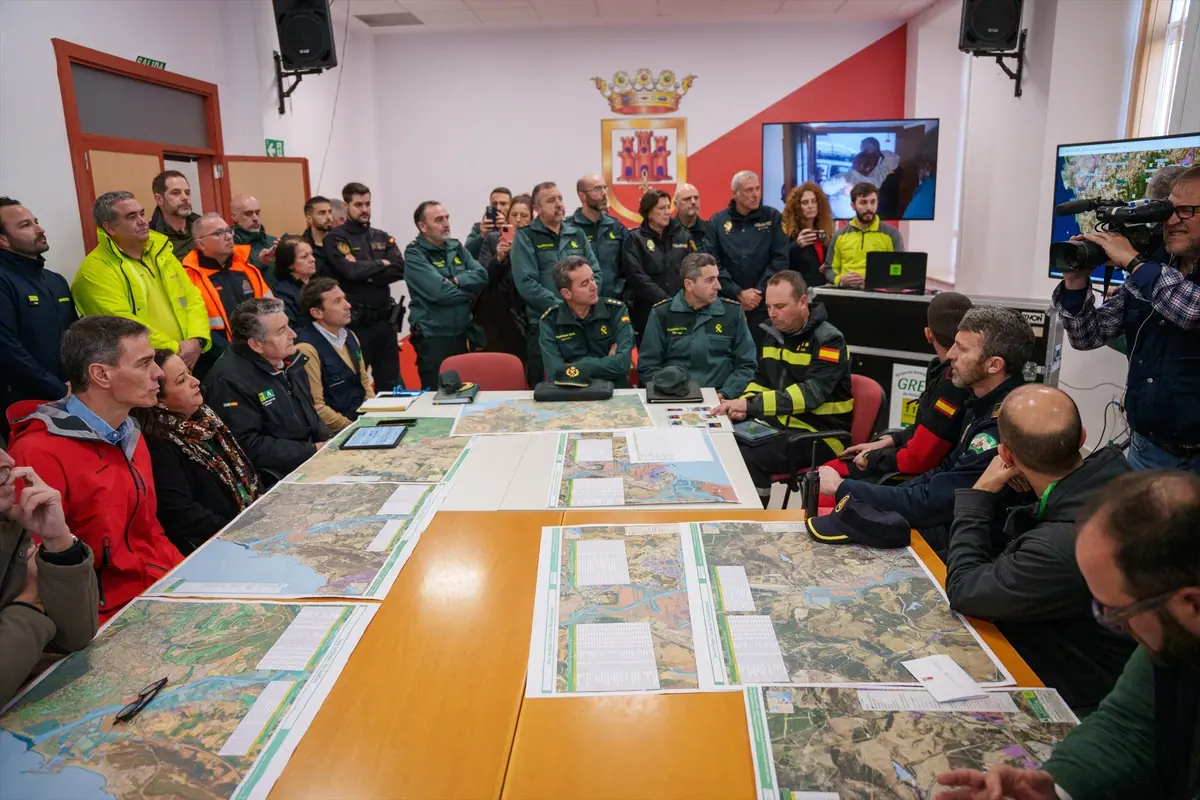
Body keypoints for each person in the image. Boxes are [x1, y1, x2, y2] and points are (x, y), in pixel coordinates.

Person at [934, 471, 1200, 800]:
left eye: (1116, 613)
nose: (1115, 625)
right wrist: (1056, 786)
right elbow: (1126, 726)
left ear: (1192, 603)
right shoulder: (1177, 632)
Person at [945, 385, 1135, 715]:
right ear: (1081, 438)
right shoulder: (1121, 481)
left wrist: (979, 496)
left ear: (1005, 455)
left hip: (1082, 697)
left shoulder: (1058, 545)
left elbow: (964, 589)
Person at [6, 316, 182, 622]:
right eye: (144, 363)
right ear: (101, 374)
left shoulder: (130, 433)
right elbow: (34, 573)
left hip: (156, 588)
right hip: (101, 615)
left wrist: (186, 576)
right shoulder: (35, 453)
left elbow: (149, 532)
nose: (158, 374)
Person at [818, 306, 1033, 557]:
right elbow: (943, 474)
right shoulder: (980, 403)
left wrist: (842, 487)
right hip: (948, 523)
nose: (951, 354)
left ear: (994, 365)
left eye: (962, 349)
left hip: (969, 546)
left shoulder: (1001, 426)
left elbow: (933, 502)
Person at [1054, 163, 1200, 473]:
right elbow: (1087, 335)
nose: (1171, 221)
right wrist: (1076, 283)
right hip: (1146, 449)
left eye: (1186, 211)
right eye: (1168, 211)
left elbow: (1191, 311)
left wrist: (1133, 262)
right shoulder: (1157, 266)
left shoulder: (1147, 270)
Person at [715, 270, 853, 507]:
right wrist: (744, 406)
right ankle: (724, 507)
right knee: (722, 439)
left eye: (780, 306)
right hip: (782, 427)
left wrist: (750, 406)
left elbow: (810, 395)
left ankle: (753, 518)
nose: (773, 314)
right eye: (769, 307)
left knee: (752, 457)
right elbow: (762, 379)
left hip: (820, 434)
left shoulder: (829, 340)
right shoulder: (773, 333)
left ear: (802, 302)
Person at [129, 350, 260, 555]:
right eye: (182, 380)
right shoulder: (158, 446)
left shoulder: (206, 419)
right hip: (216, 546)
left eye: (189, 373)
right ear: (159, 400)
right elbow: (182, 515)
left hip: (247, 523)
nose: (196, 381)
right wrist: (242, 532)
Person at [834, 292, 974, 480]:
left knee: (825, 474)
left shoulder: (953, 382)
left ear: (928, 334)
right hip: (923, 471)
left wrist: (873, 458)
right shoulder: (945, 372)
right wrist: (889, 441)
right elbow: (926, 430)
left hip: (921, 480)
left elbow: (919, 457)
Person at [0, 448, 98, 704]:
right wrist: (29, 605)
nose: (8, 461)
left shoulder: (9, 521)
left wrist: (59, 542)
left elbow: (75, 637)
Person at [72, 191, 211, 371]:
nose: (142, 221)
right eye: (131, 217)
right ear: (110, 228)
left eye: (142, 214)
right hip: (144, 368)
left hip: (189, 359)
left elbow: (193, 299)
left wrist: (196, 340)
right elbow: (123, 325)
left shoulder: (162, 253)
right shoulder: (95, 270)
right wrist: (177, 350)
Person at [202, 298, 329, 484]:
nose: (293, 334)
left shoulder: (288, 361)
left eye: (288, 326)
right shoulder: (228, 381)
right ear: (256, 345)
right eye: (281, 331)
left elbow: (311, 417)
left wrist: (327, 444)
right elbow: (247, 445)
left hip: (312, 461)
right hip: (276, 480)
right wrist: (311, 450)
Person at [0, 198, 76, 440]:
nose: (39, 229)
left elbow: (76, 335)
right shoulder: (4, 281)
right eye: (25, 225)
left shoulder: (55, 281)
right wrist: (55, 388)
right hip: (25, 402)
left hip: (72, 393)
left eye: (36, 221)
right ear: (2, 239)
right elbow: (6, 348)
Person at [512, 181, 598, 388]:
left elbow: (596, 272)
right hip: (544, 324)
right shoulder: (526, 237)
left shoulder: (576, 234)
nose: (559, 204)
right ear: (536, 209)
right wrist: (563, 307)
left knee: (582, 384)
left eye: (560, 198)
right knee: (545, 386)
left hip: (581, 324)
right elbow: (526, 282)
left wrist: (584, 301)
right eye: (551, 200)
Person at [324, 182, 406, 392]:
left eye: (368, 204)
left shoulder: (381, 236)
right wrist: (381, 265)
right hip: (357, 324)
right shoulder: (336, 238)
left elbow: (399, 268)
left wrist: (366, 272)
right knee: (356, 384)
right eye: (358, 205)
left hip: (385, 323)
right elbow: (349, 272)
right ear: (346, 205)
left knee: (390, 383)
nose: (365, 210)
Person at [639, 252, 756, 399]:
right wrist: (670, 391)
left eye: (717, 278)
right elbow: (648, 367)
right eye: (710, 280)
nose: (718, 286)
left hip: (722, 398)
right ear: (689, 284)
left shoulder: (732, 312)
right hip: (674, 398)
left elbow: (747, 364)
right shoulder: (663, 313)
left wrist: (726, 393)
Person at [404, 201, 490, 389]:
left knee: (463, 391)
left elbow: (483, 275)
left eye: (446, 218)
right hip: (434, 337)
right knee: (437, 395)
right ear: (423, 227)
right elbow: (440, 293)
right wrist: (468, 291)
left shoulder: (455, 246)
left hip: (462, 334)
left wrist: (455, 281)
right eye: (438, 220)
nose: (446, 223)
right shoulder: (415, 254)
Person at [702, 170, 790, 348]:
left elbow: (780, 258)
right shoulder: (717, 222)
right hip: (728, 303)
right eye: (749, 190)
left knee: (764, 358)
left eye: (757, 188)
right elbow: (712, 263)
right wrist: (738, 292)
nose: (755, 194)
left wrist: (758, 292)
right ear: (735, 193)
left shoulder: (773, 218)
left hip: (765, 304)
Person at [181, 213, 271, 375]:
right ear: (200, 243)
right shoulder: (188, 278)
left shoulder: (248, 269)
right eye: (218, 233)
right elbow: (193, 326)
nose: (228, 237)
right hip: (216, 364)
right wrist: (234, 354)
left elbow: (271, 311)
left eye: (228, 231)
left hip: (261, 355)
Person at [294, 278, 375, 433]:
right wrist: (353, 428)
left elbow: (364, 382)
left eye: (344, 298)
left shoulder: (350, 336)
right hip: (337, 433)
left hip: (362, 422)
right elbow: (317, 407)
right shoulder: (306, 349)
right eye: (338, 301)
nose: (348, 305)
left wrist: (373, 416)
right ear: (317, 312)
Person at [538, 256, 634, 387]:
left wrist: (573, 366)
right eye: (585, 284)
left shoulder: (616, 311)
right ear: (566, 294)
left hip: (613, 390)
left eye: (593, 279)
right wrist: (608, 361)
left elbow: (622, 364)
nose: (594, 286)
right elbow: (554, 373)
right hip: (571, 393)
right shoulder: (550, 321)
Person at [623, 189, 695, 338]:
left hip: (682, 309)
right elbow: (636, 277)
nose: (667, 212)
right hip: (649, 311)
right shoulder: (635, 239)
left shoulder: (682, 236)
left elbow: (694, 268)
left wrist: (682, 301)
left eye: (668, 207)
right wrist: (665, 300)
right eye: (661, 208)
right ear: (648, 212)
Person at [475, 193, 531, 361]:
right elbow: (482, 277)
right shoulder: (493, 239)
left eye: (524, 215)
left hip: (527, 312)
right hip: (499, 316)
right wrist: (499, 258)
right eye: (514, 215)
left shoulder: (536, 240)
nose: (518, 220)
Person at [823, 182, 905, 288]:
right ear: (853, 206)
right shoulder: (839, 236)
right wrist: (841, 280)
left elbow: (899, 269)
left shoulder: (892, 234)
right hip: (845, 294)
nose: (869, 207)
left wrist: (874, 280)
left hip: (879, 295)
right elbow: (829, 269)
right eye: (863, 202)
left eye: (873, 202)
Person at [571, 174, 627, 301]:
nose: (604, 194)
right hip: (581, 303)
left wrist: (622, 291)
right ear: (582, 196)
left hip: (613, 301)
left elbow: (627, 266)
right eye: (597, 189)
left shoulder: (615, 226)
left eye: (605, 188)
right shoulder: (569, 229)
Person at [781, 183, 835, 289]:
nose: (810, 206)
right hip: (799, 291)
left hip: (823, 290)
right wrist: (796, 246)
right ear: (797, 207)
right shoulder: (787, 232)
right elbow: (781, 262)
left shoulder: (825, 230)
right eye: (805, 203)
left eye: (814, 201)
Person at [148, 170, 201, 258]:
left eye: (187, 193)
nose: (185, 197)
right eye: (175, 193)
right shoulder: (151, 238)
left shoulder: (202, 227)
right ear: (159, 199)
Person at [273, 237, 319, 330]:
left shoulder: (318, 282)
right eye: (304, 257)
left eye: (311, 254)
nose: (313, 259)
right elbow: (291, 328)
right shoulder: (283, 293)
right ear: (290, 264)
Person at [230, 194, 278, 275]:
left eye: (257, 212)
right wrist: (260, 263)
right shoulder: (229, 246)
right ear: (234, 216)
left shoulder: (272, 241)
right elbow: (236, 279)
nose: (255, 218)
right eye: (248, 213)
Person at [465, 187, 512, 259]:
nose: (498, 208)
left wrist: (505, 228)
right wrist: (482, 236)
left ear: (511, 206)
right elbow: (466, 253)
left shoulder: (515, 226)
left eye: (503, 204)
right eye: (494, 204)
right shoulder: (479, 227)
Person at [301, 195, 334, 276]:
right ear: (309, 219)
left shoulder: (340, 239)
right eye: (322, 213)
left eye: (330, 212)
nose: (328, 217)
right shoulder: (302, 247)